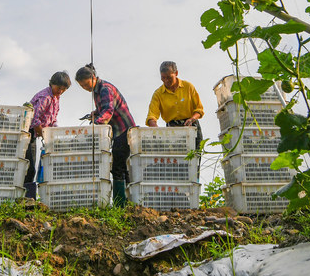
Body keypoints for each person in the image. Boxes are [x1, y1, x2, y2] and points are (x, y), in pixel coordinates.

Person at [76, 63, 135, 207]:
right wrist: (95, 113)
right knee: (123, 167)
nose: (85, 88)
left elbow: (108, 111)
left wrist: (96, 123)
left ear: (93, 77)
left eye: (86, 84)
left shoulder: (105, 89)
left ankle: (120, 204)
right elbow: (103, 108)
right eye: (82, 86)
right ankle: (129, 203)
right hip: (118, 132)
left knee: (118, 167)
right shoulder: (97, 91)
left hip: (123, 130)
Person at [24, 71, 71, 199]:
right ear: (51, 84)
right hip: (28, 132)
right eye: (58, 88)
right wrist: (43, 134)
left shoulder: (56, 98)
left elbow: (53, 119)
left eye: (63, 89)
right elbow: (35, 120)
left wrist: (54, 132)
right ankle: (27, 199)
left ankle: (29, 198)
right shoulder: (45, 97)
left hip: (37, 133)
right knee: (29, 166)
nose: (60, 91)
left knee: (34, 165)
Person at [145, 61, 204, 152]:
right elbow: (152, 115)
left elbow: (199, 109)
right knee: (177, 162)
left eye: (169, 77)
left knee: (195, 159)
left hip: (191, 127)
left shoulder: (188, 87)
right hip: (172, 131)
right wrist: (155, 129)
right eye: (163, 78)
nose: (166, 81)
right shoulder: (158, 94)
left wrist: (192, 119)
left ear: (176, 73)